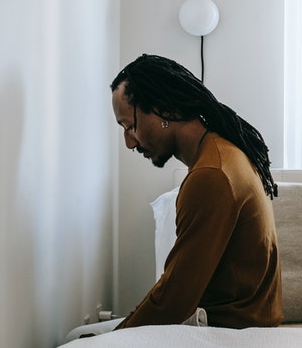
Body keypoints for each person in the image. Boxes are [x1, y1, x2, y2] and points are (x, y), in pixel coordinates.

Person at [110, 54, 283, 329]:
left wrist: (115, 337)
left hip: (226, 334)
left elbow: (172, 302)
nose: (129, 143)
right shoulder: (225, 153)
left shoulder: (210, 176)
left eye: (130, 126)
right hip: (243, 326)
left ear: (163, 108)